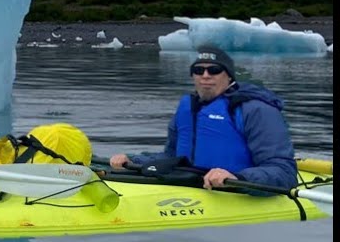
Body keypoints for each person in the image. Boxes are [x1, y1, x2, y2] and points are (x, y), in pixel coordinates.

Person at [108, 44, 297, 192]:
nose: (205, 75)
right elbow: (172, 157)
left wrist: (238, 178)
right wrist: (134, 160)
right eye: (199, 71)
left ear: (229, 76)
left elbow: (284, 171)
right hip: (191, 184)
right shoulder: (188, 109)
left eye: (214, 70)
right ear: (193, 76)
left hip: (237, 189)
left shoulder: (256, 110)